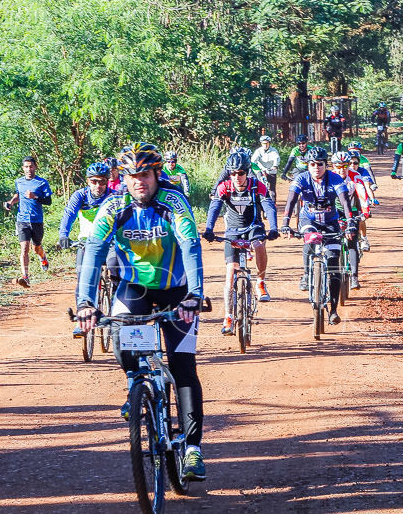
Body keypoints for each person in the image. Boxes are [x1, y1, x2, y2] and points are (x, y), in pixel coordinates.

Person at [75, 142, 207, 481]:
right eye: (132, 176)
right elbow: (93, 252)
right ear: (124, 178)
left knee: (183, 366)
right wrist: (85, 302)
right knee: (120, 334)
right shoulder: (114, 205)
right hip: (135, 288)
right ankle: (136, 386)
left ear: (156, 174)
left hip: (177, 290)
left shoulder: (173, 201)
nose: (139, 182)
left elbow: (191, 245)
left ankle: (192, 450)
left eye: (145, 175)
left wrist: (194, 294)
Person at [203, 151, 278, 333]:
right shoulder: (225, 187)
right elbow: (214, 208)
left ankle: (260, 281)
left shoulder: (256, 186)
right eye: (233, 173)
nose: (237, 177)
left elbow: (268, 206)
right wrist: (209, 229)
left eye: (240, 173)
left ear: (247, 172)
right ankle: (228, 317)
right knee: (230, 272)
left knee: (259, 245)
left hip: (253, 227)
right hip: (233, 231)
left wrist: (274, 227)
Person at [280, 146, 353, 325]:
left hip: (330, 222)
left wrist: (350, 223)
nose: (316, 167)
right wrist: (285, 223)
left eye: (319, 164)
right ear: (307, 165)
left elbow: (344, 202)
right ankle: (306, 275)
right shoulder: (301, 178)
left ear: (325, 165)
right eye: (312, 164)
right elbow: (290, 201)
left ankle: (334, 310)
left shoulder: (335, 179)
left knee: (334, 261)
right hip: (308, 220)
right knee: (310, 238)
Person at [59, 162, 116, 335]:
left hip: (110, 243)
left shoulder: (113, 197)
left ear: (108, 181)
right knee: (83, 279)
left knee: (116, 272)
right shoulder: (81, 196)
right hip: (86, 242)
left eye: (102, 182)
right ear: (88, 181)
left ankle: (114, 316)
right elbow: (69, 213)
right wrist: (63, 234)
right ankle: (83, 319)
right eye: (94, 181)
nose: (98, 186)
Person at [4, 156, 53, 288]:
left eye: (31, 166)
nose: (29, 169)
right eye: (26, 166)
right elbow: (18, 195)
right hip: (22, 220)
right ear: (23, 168)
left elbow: (48, 201)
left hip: (36, 220)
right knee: (24, 248)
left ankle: (43, 257)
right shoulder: (19, 182)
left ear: (35, 167)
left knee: (36, 248)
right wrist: (11, 202)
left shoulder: (42, 183)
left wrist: (35, 197)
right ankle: (25, 276)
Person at [332, 151, 373, 259]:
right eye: (339, 166)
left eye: (346, 165)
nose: (342, 168)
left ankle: (363, 239)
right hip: (337, 207)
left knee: (360, 219)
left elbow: (362, 192)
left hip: (353, 205)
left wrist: (365, 210)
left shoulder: (356, 175)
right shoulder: (330, 176)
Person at [251, 134, 281, 202]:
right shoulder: (258, 151)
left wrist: (275, 166)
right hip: (261, 171)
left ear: (269, 143)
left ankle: (273, 204)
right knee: (259, 187)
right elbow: (253, 161)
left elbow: (276, 158)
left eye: (267, 143)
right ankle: (259, 203)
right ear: (261, 144)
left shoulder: (273, 150)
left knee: (272, 190)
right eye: (263, 143)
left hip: (271, 170)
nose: (265, 145)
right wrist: (258, 170)